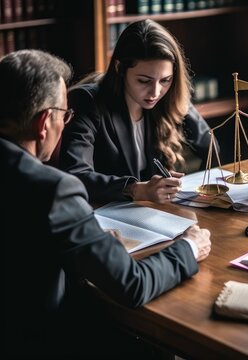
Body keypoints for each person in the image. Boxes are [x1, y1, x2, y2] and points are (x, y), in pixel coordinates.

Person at [0, 50, 211, 357]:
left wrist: (87, 241)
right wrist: (189, 247)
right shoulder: (53, 190)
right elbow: (132, 284)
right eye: (64, 115)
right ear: (44, 122)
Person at [60, 19, 215, 204]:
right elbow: (76, 176)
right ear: (119, 69)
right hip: (104, 214)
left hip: (151, 211)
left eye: (165, 80)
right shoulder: (86, 102)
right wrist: (135, 189)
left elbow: (211, 148)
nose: (155, 92)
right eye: (144, 81)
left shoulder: (168, 96)